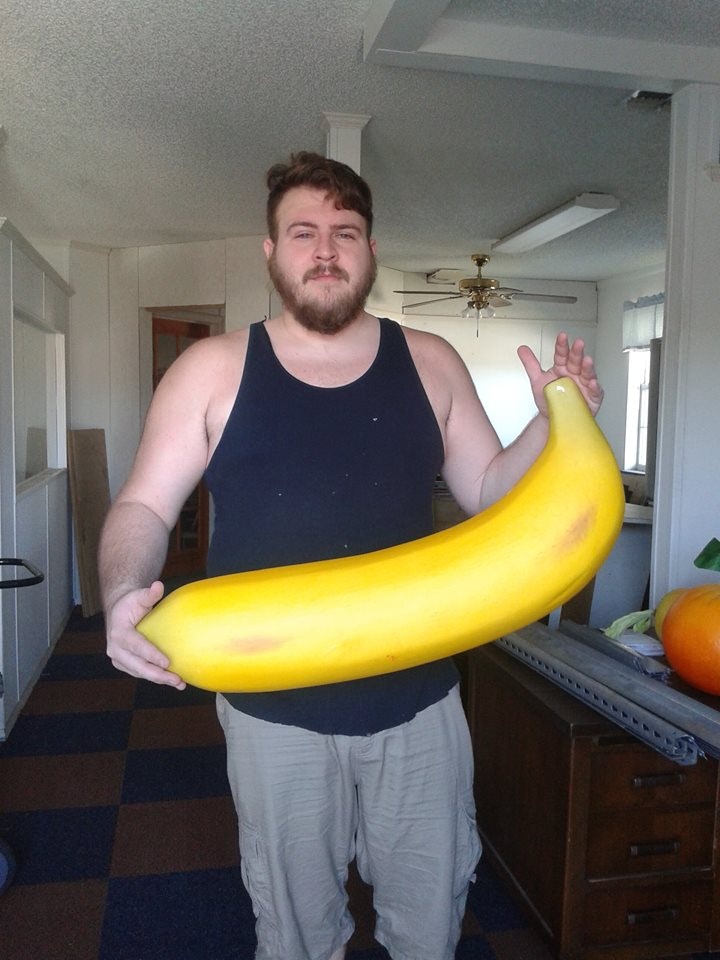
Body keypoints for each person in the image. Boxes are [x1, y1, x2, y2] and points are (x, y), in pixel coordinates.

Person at [99, 151, 603, 960]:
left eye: (346, 231)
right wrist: (122, 587)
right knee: (297, 934)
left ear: (370, 249)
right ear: (271, 251)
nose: (326, 249)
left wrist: (552, 420)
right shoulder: (210, 370)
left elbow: (490, 491)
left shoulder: (431, 361)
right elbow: (143, 506)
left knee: (429, 924)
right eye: (303, 232)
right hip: (272, 710)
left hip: (420, 702)